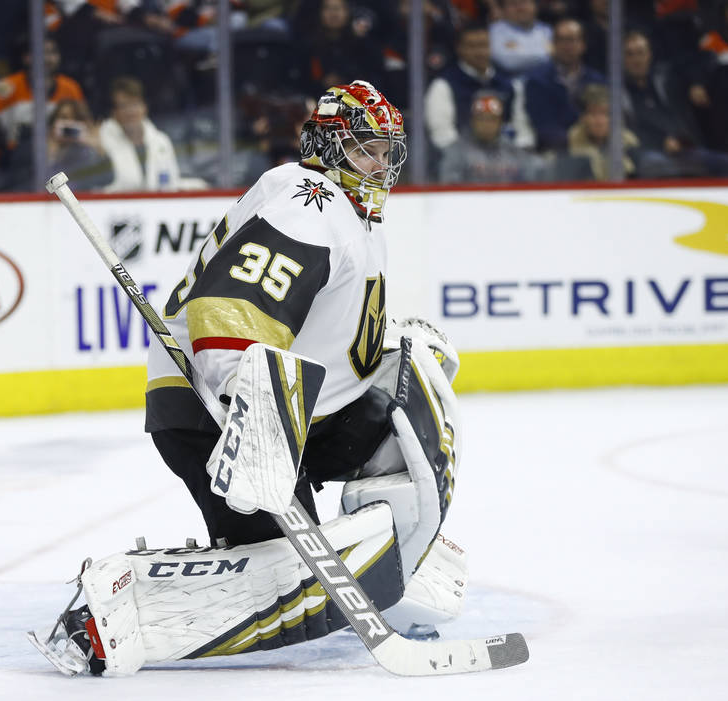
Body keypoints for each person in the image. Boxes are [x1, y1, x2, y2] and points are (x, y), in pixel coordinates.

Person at [33, 80, 467, 676]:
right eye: (367, 149)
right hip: (223, 410)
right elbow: (233, 309)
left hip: (295, 416)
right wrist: (251, 412)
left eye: (389, 151)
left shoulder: (347, 214)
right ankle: (113, 607)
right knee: (284, 579)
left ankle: (399, 553)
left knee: (416, 374)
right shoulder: (310, 198)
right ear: (330, 146)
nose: (382, 165)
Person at [621, 30, 728, 177]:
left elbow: (703, 58)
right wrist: (660, 142)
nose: (636, 59)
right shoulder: (619, 91)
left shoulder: (665, 80)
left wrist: (696, 82)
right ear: (622, 59)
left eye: (640, 52)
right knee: (656, 164)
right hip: (646, 151)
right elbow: (626, 130)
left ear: (649, 55)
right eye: (630, 54)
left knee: (724, 162)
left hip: (683, 149)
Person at [424, 23, 527, 151]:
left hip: (506, 160)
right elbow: (442, 135)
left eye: (484, 45)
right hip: (461, 159)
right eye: (472, 46)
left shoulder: (509, 84)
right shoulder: (444, 85)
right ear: (459, 48)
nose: (480, 52)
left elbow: (523, 131)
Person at [0, 35, 87, 150]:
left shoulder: (71, 88)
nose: (48, 58)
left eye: (53, 52)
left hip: (61, 156)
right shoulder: (5, 88)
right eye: (42, 52)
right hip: (14, 158)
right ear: (26, 57)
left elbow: (85, 128)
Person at [519, 18, 605, 152]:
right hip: (558, 153)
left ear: (583, 44)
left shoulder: (596, 80)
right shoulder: (537, 81)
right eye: (561, 40)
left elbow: (606, 119)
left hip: (598, 147)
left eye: (572, 40)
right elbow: (544, 126)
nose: (567, 46)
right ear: (553, 44)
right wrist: (576, 143)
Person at [98, 76, 190, 192]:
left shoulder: (161, 141)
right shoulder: (102, 140)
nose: (130, 111)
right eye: (124, 106)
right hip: (115, 208)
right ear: (114, 112)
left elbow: (172, 184)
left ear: (144, 106)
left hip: (158, 206)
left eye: (135, 104)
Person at [439, 90, 545, 182]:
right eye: (481, 119)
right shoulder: (456, 151)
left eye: (492, 119)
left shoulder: (513, 151)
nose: (486, 124)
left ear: (500, 123)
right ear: (472, 121)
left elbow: (530, 180)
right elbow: (449, 187)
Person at [567, 83, 639, 180]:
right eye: (592, 114)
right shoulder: (573, 138)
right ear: (583, 118)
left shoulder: (628, 139)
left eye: (605, 114)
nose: (599, 121)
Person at [488, 0, 552, 75]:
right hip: (508, 82)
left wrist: (520, 50)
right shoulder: (493, 32)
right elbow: (509, 62)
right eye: (513, 4)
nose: (520, 8)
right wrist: (547, 54)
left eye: (524, 2)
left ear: (535, 5)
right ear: (502, 9)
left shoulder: (547, 30)